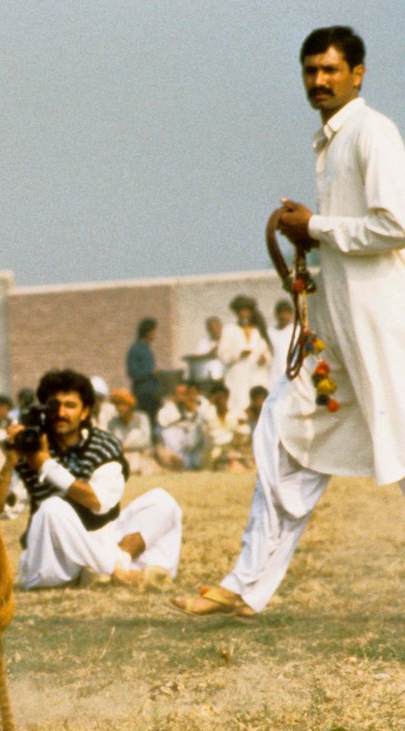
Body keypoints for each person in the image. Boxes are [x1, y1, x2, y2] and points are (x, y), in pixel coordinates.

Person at [176, 26, 405, 617]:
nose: (319, 81)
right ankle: (246, 585)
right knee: (282, 436)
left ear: (358, 74)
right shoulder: (329, 140)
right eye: (311, 71)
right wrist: (311, 248)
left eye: (331, 70)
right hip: (336, 329)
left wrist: (317, 228)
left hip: (384, 329)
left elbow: (396, 224)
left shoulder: (372, 132)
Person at [0, 369, 182, 589]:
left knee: (162, 501)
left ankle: (106, 567)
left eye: (70, 405)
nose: (61, 412)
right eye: (54, 405)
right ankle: (118, 572)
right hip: (52, 561)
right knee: (51, 507)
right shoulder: (32, 448)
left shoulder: (102, 445)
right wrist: (10, 460)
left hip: (97, 539)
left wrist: (46, 465)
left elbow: (97, 502)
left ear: (85, 412)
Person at [217, 296, 273, 413]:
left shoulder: (258, 331)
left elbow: (267, 353)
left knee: (259, 407)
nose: (244, 313)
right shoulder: (229, 330)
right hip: (237, 377)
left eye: (246, 311)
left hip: (257, 377)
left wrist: (264, 359)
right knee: (238, 406)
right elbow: (222, 355)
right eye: (241, 311)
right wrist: (238, 354)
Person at [156, 382, 210, 471]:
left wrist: (193, 410)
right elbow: (162, 422)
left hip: (195, 445)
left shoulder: (201, 404)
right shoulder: (169, 407)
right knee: (167, 431)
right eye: (179, 394)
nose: (181, 397)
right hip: (177, 445)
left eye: (184, 394)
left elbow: (203, 423)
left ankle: (194, 463)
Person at [106, 388, 160, 476]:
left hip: (141, 454)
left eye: (122, 404)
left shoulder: (142, 418)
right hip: (122, 456)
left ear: (130, 405)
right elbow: (110, 442)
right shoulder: (113, 422)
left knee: (135, 434)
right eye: (117, 404)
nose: (119, 408)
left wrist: (127, 446)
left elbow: (146, 441)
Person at [203, 383, 252, 471]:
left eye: (223, 397)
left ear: (227, 397)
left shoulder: (237, 414)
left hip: (236, 450)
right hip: (215, 453)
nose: (221, 401)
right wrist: (210, 404)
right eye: (217, 398)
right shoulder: (208, 416)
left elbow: (245, 432)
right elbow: (213, 437)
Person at [126, 318, 162, 438]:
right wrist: (150, 372)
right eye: (153, 331)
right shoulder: (135, 349)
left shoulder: (147, 349)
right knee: (144, 424)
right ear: (147, 332)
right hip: (142, 395)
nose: (155, 334)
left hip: (152, 396)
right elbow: (132, 372)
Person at [189, 316, 227, 387]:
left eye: (217, 327)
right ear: (208, 329)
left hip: (226, 376)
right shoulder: (203, 343)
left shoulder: (228, 341)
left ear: (221, 327)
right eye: (211, 328)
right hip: (208, 379)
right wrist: (211, 352)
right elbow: (197, 357)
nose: (215, 330)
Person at [270, 299, 297, 385]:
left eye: (286, 313)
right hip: (274, 373)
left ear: (291, 314)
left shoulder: (297, 331)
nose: (283, 316)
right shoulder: (270, 332)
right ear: (276, 315)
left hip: (292, 373)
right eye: (281, 313)